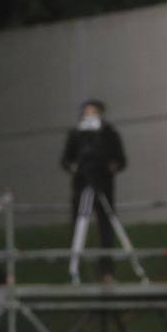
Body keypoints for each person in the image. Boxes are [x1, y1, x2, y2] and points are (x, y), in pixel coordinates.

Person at [60, 99, 127, 267]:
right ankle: (75, 269)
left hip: (104, 186)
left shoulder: (110, 133)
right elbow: (65, 160)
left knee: (106, 228)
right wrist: (74, 167)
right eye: (86, 112)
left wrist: (112, 166)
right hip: (81, 186)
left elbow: (121, 160)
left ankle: (106, 271)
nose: (89, 115)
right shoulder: (75, 134)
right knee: (78, 227)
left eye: (93, 112)